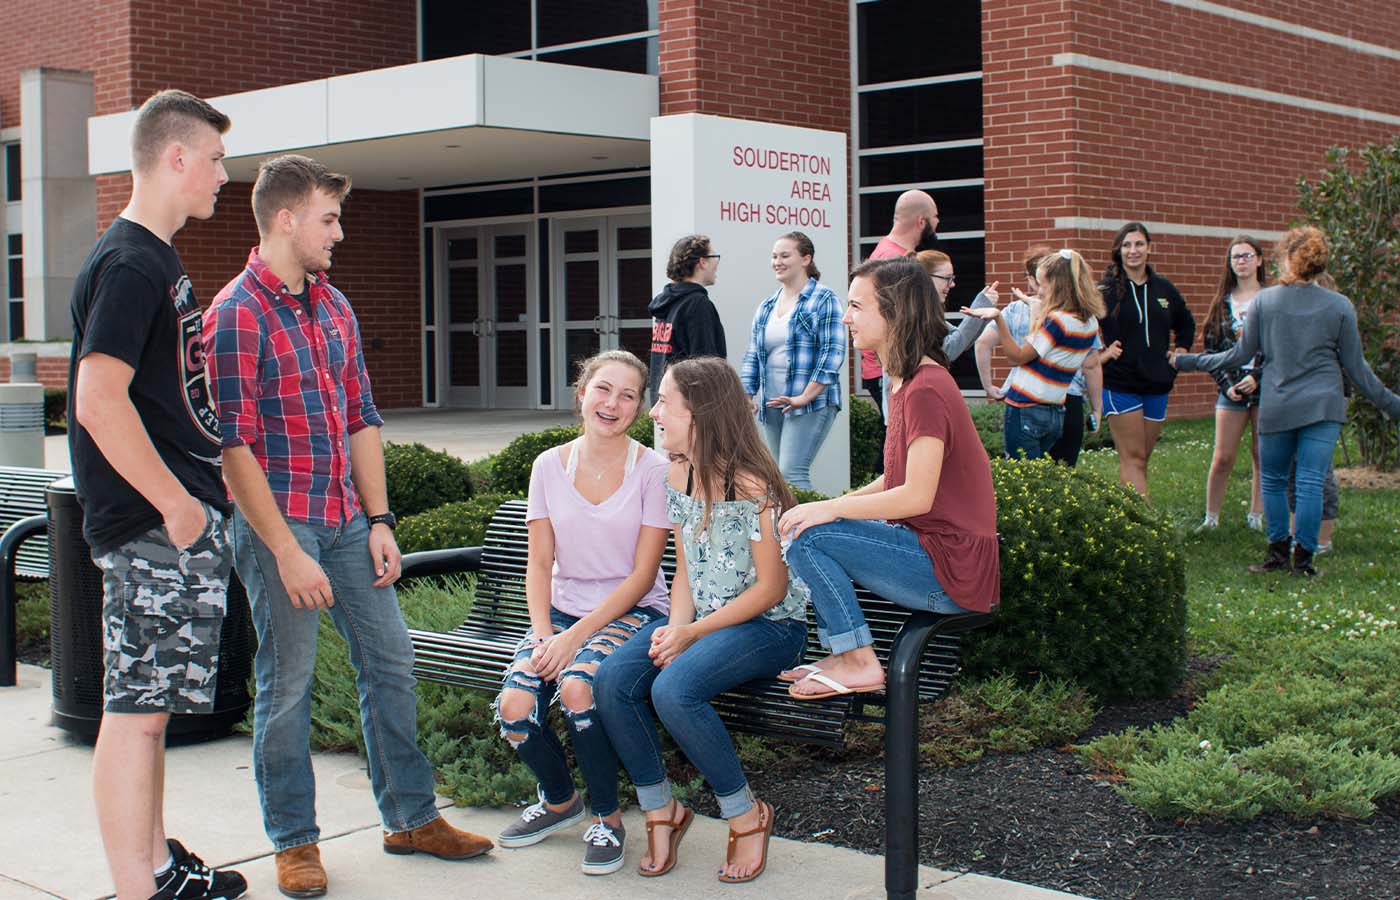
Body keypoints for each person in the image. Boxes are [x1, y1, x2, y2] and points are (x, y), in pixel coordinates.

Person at [204, 155, 492, 899]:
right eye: (329, 218)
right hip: (281, 526)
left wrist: (380, 518)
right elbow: (232, 449)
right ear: (287, 219)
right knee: (288, 685)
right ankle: (295, 843)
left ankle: (410, 818)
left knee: (391, 663)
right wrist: (283, 550)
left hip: (344, 521)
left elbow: (362, 418)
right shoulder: (235, 313)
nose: (339, 232)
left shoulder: (333, 305)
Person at [68, 89, 247, 900]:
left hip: (169, 522)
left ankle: (160, 871)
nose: (222, 174)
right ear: (176, 158)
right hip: (152, 525)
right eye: (213, 159)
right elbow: (97, 398)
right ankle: (136, 888)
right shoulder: (133, 260)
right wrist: (177, 505)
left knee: (151, 715)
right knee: (135, 714)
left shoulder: (154, 257)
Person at [594, 357, 809, 884]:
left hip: (770, 628)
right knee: (613, 679)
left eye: (665, 401)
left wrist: (693, 634)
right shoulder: (677, 471)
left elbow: (771, 588)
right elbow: (685, 567)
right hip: (707, 622)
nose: (655, 412)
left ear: (701, 414)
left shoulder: (755, 486)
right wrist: (676, 627)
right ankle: (661, 808)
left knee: (673, 691)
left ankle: (745, 814)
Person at [779, 257, 999, 698]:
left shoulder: (926, 387)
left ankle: (858, 660)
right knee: (810, 527)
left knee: (810, 538)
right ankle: (846, 655)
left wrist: (829, 510)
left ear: (895, 311)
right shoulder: (906, 382)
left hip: (949, 569)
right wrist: (826, 508)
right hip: (937, 556)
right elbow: (892, 479)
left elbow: (915, 497)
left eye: (857, 306)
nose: (846, 317)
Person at [492, 349, 670, 876]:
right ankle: (559, 801)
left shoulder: (653, 471)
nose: (612, 403)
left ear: (639, 408)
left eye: (628, 395)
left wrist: (572, 642)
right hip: (561, 612)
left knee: (577, 688)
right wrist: (546, 635)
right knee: (515, 708)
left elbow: (642, 577)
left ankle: (609, 819)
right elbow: (539, 561)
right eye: (603, 389)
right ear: (582, 393)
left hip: (633, 612)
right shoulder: (547, 466)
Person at [1174, 226, 1400, 576]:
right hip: (1324, 405)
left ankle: (1277, 554)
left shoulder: (1266, 300)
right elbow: (1357, 369)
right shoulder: (1340, 306)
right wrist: (1392, 405)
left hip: (1277, 401)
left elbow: (1237, 356)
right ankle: (1304, 562)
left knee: (1274, 480)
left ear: (1286, 259)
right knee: (1310, 481)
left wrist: (1188, 362)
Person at [962, 249, 1105, 460]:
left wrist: (998, 318)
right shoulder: (1089, 321)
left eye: (1042, 285)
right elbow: (1086, 363)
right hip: (1057, 410)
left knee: (1021, 478)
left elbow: (1018, 357)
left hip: (1026, 407)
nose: (1038, 292)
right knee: (1052, 476)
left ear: (1057, 284)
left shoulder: (1057, 321)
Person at [739, 231, 846, 490]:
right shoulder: (767, 305)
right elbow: (753, 353)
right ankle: (783, 530)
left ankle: (806, 531)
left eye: (785, 255)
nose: (778, 261)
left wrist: (805, 396)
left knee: (791, 473)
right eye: (774, 256)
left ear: (806, 258)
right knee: (778, 477)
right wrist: (746, 394)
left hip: (811, 402)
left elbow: (833, 353)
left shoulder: (824, 299)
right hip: (773, 403)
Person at [1097, 222, 1195, 501]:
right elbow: (1080, 325)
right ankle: (1143, 523)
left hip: (1158, 382)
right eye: (1127, 245)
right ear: (1119, 250)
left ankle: (1128, 513)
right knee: (1134, 458)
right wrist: (1101, 355)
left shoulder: (1164, 289)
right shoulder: (1105, 290)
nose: (1133, 250)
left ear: (1149, 248)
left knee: (1141, 459)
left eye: (1139, 244)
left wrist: (1182, 350)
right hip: (1120, 383)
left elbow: (1186, 322)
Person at [1197, 236, 1267, 531]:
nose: (1241, 261)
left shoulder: (1271, 299)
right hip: (1231, 389)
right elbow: (1212, 350)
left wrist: (1256, 377)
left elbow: (1281, 347)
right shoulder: (1222, 303)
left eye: (1247, 256)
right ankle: (1211, 518)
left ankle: (1257, 516)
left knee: (1262, 454)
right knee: (1223, 456)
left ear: (1259, 260)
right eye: (1236, 257)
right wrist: (1228, 385)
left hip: (1265, 387)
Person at [860, 190, 940, 418]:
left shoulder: (894, 255)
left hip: (891, 365)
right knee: (898, 439)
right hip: (889, 367)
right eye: (935, 217)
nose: (938, 223)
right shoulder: (892, 261)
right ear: (921, 221)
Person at [648, 234, 727, 402]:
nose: (717, 263)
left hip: (666, 402)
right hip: (690, 406)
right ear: (702, 262)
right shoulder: (697, 304)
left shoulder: (667, 303)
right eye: (715, 257)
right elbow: (706, 364)